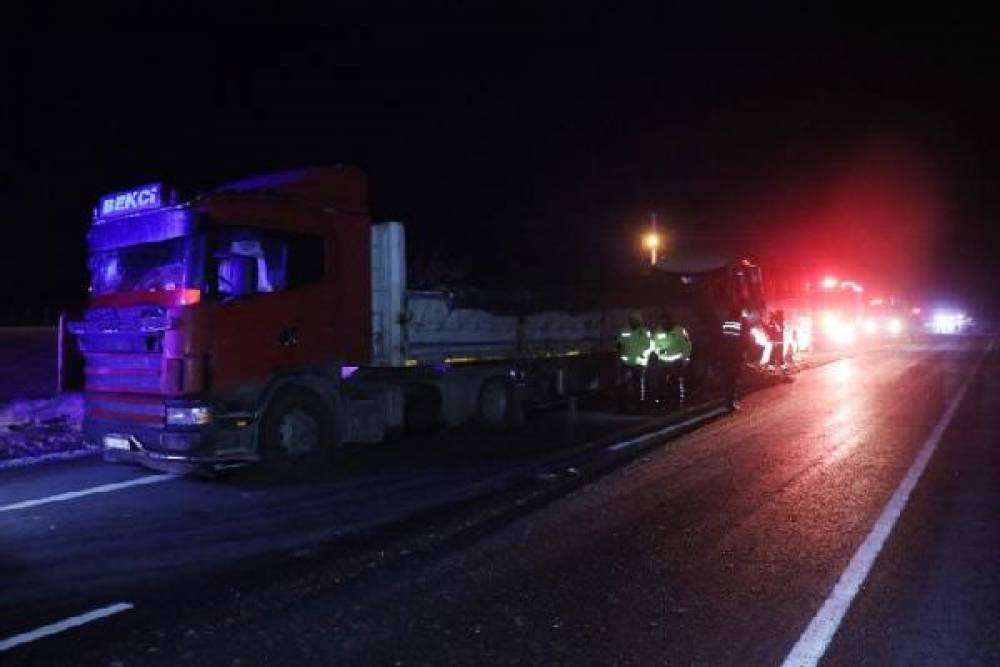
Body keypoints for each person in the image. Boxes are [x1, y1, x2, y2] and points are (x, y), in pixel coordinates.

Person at [650, 309, 693, 410]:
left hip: (676, 360)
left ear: (670, 320)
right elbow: (654, 345)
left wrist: (686, 358)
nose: (664, 322)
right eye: (662, 320)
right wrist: (658, 351)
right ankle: (661, 403)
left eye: (666, 320)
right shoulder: (658, 331)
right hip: (663, 361)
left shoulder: (680, 330)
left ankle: (676, 402)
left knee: (675, 382)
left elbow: (687, 345)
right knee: (661, 382)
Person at [617, 311, 651, 412]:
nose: (632, 322)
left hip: (638, 362)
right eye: (631, 320)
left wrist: (644, 360)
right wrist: (619, 355)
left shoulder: (644, 331)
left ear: (639, 321)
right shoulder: (624, 330)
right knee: (623, 385)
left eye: (634, 320)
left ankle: (640, 405)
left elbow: (648, 345)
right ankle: (622, 406)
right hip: (625, 362)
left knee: (638, 385)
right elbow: (619, 343)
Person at [721, 307, 746, 410]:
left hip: (727, 356)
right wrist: (743, 354)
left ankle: (728, 401)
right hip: (735, 356)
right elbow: (743, 341)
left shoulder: (726, 324)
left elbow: (723, 339)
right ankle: (732, 402)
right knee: (734, 379)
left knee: (728, 379)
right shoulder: (740, 325)